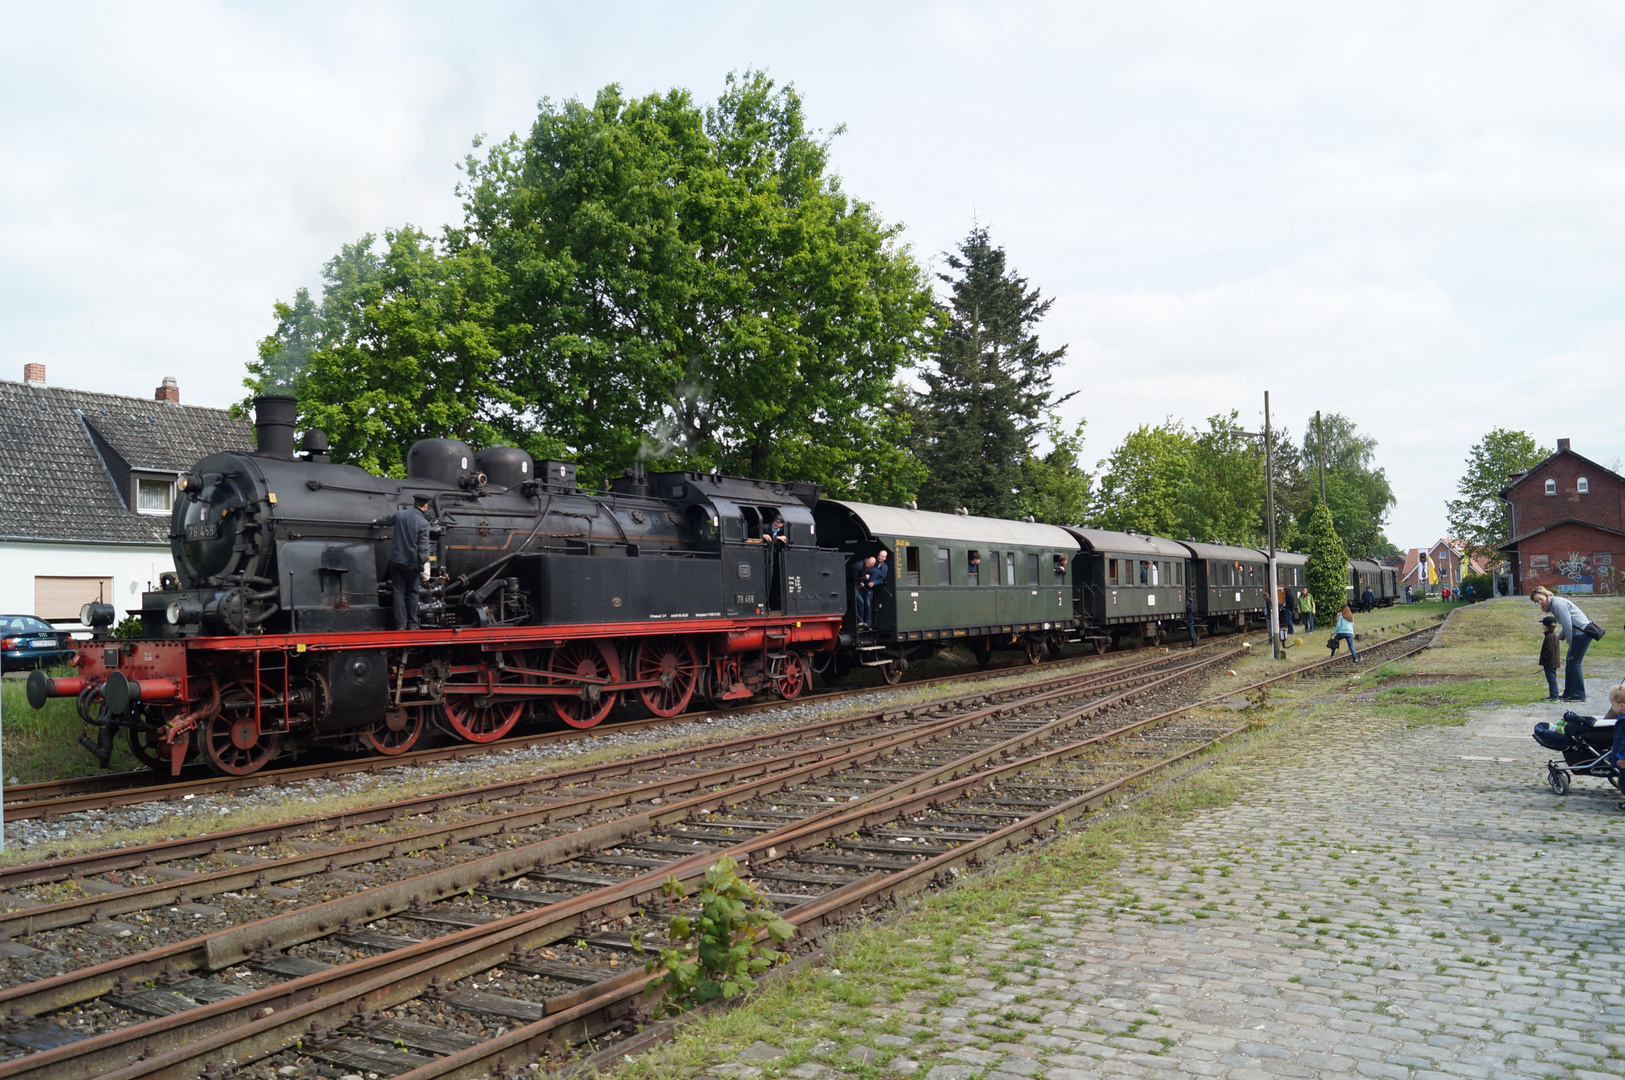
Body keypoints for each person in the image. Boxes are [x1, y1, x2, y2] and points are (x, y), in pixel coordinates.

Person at [373, 493, 434, 631]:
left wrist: (376, 521)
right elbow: (423, 546)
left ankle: (400, 624)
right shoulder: (423, 523)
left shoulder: (400, 514)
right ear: (425, 505)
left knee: (398, 592)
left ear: (414, 503)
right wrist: (426, 564)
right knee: (412, 593)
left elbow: (386, 519)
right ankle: (412, 624)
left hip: (396, 560)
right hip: (412, 563)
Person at [1530, 586, 1597, 702]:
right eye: (1537, 601)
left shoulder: (1557, 604)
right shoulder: (1553, 604)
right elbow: (1567, 623)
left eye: (1540, 599)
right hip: (1578, 632)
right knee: (1569, 663)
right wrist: (1559, 637)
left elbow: (1567, 624)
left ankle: (1579, 695)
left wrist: (1569, 642)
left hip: (1582, 633)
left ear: (1546, 595)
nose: (1539, 603)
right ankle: (1568, 692)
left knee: (1574, 663)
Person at [1539, 615, 1562, 701]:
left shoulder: (1549, 637)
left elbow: (1549, 651)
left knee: (1551, 680)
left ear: (1545, 627)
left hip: (1550, 662)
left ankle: (1554, 696)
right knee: (1551, 679)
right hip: (1553, 662)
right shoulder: (1553, 635)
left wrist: (1543, 658)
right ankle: (1553, 695)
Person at [850, 556, 875, 627]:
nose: (869, 565)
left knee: (863, 602)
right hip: (851, 586)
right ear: (867, 560)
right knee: (861, 601)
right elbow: (852, 578)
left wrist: (860, 582)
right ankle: (859, 621)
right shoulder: (859, 566)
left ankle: (861, 621)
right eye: (868, 563)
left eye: (870, 565)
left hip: (857, 585)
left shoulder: (866, 567)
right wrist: (864, 578)